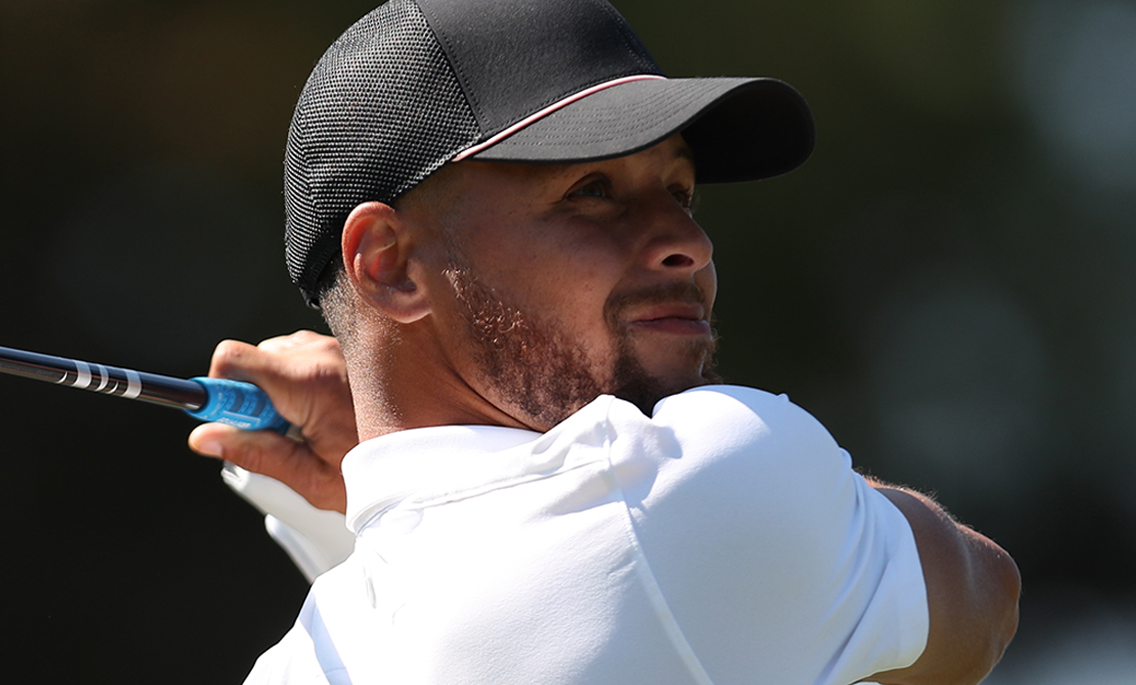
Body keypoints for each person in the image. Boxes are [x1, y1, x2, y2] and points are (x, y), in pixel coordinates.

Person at [189, 0, 1021, 683]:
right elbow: (985, 598)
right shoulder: (701, 480)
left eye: (680, 191)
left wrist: (380, 486)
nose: (686, 244)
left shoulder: (300, 665)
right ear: (391, 265)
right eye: (591, 190)